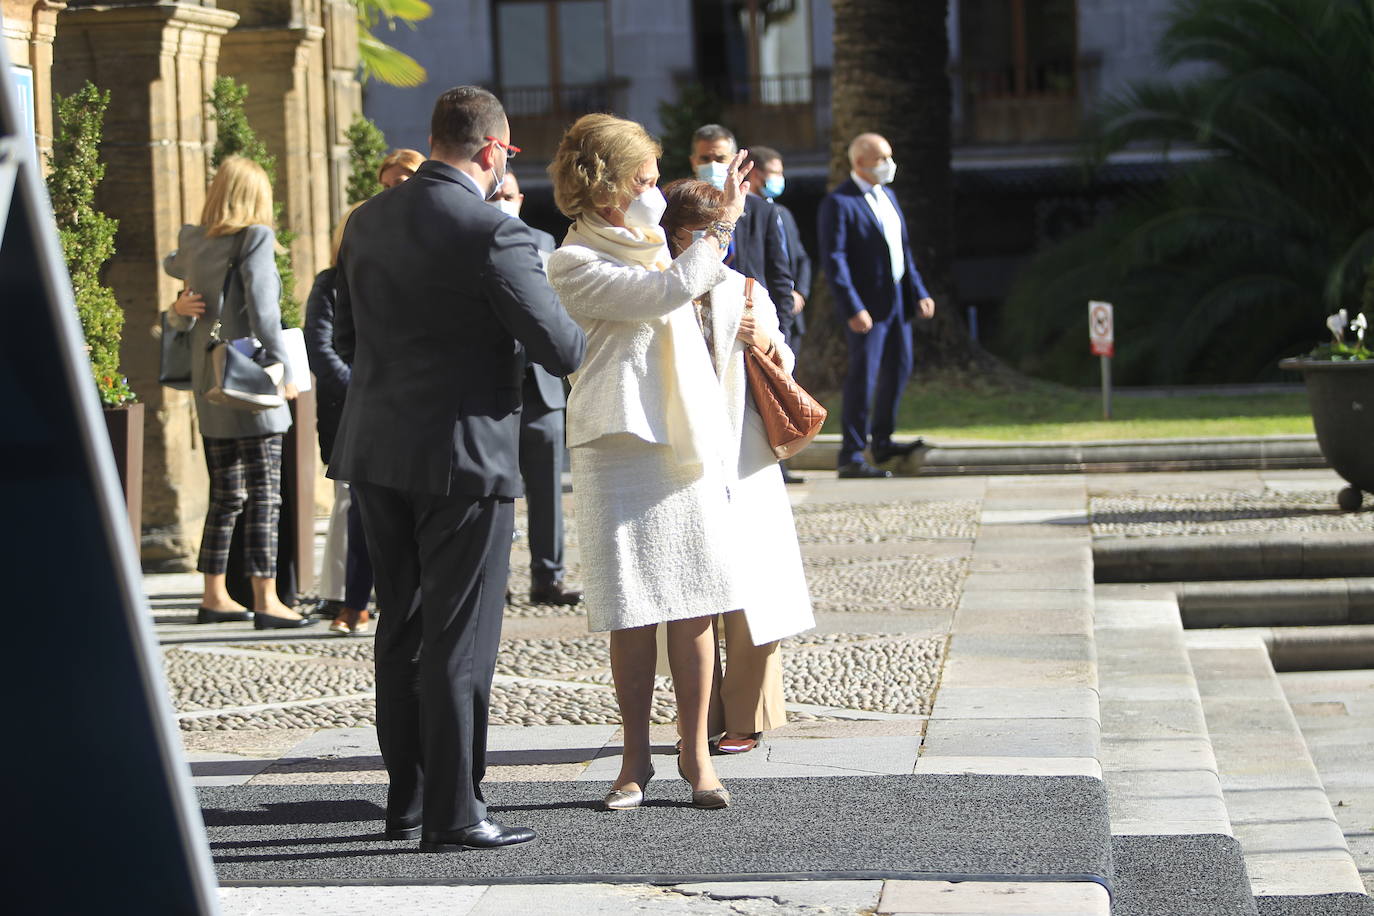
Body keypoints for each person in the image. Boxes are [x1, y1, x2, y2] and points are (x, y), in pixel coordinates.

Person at [330, 86, 585, 852]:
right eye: (506, 154)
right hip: (465, 455)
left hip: (376, 447)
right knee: (458, 636)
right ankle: (454, 812)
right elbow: (562, 348)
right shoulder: (494, 231)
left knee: (401, 627)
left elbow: (348, 332)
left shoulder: (367, 221)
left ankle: (405, 801)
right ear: (490, 151)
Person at [546, 113, 811, 811]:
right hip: (617, 445)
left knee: (695, 604)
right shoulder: (573, 260)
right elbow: (667, 295)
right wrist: (726, 220)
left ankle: (698, 759)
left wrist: (730, 242)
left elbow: (712, 287)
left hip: (689, 443)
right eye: (641, 178)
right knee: (630, 608)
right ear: (605, 186)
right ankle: (635, 761)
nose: (652, 189)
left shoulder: (660, 246)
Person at [658, 178, 814, 756]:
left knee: (753, 588)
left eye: (721, 231)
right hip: (682, 454)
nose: (714, 243)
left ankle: (746, 716)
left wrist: (762, 340)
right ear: (672, 235)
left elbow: (785, 364)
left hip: (743, 453)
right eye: (700, 233)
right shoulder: (657, 290)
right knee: (690, 592)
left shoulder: (744, 289)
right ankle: (698, 719)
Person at [164, 156, 312, 630]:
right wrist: (286, 370)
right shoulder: (256, 238)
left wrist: (177, 310)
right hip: (251, 381)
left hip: (210, 381)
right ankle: (266, 599)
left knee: (226, 494)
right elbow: (266, 313)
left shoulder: (193, 241)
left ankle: (213, 595)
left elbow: (175, 276)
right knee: (266, 495)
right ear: (255, 197)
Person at [818, 132, 936, 479]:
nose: (889, 164)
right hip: (866, 304)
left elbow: (902, 252)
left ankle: (882, 441)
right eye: (881, 158)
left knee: (899, 368)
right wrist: (853, 306)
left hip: (897, 299)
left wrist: (920, 292)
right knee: (864, 376)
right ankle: (851, 455)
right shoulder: (840, 202)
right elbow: (834, 259)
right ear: (859, 163)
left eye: (889, 156)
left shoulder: (888, 196)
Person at [489, 170, 583, 606]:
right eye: (494, 196)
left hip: (542, 384)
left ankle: (548, 578)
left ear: (521, 199)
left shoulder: (546, 243)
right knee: (497, 489)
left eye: (507, 196)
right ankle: (497, 579)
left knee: (547, 489)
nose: (501, 202)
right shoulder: (476, 241)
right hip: (493, 388)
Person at [305, 202, 373, 635]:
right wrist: (361, 390)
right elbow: (321, 344)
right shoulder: (330, 284)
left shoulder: (394, 282)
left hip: (397, 408)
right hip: (351, 409)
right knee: (356, 506)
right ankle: (351, 601)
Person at [689, 124, 794, 346]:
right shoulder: (681, 209)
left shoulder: (762, 211)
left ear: (734, 160)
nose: (713, 165)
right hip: (694, 328)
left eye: (720, 157)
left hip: (750, 328)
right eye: (704, 158)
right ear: (693, 162)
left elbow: (779, 277)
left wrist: (780, 339)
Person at [745, 144, 812, 485]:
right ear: (755, 173)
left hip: (789, 313)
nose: (778, 179)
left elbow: (798, 258)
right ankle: (773, 461)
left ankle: (785, 457)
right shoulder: (745, 213)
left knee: (786, 385)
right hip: (760, 316)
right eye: (772, 173)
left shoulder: (782, 213)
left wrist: (801, 291)